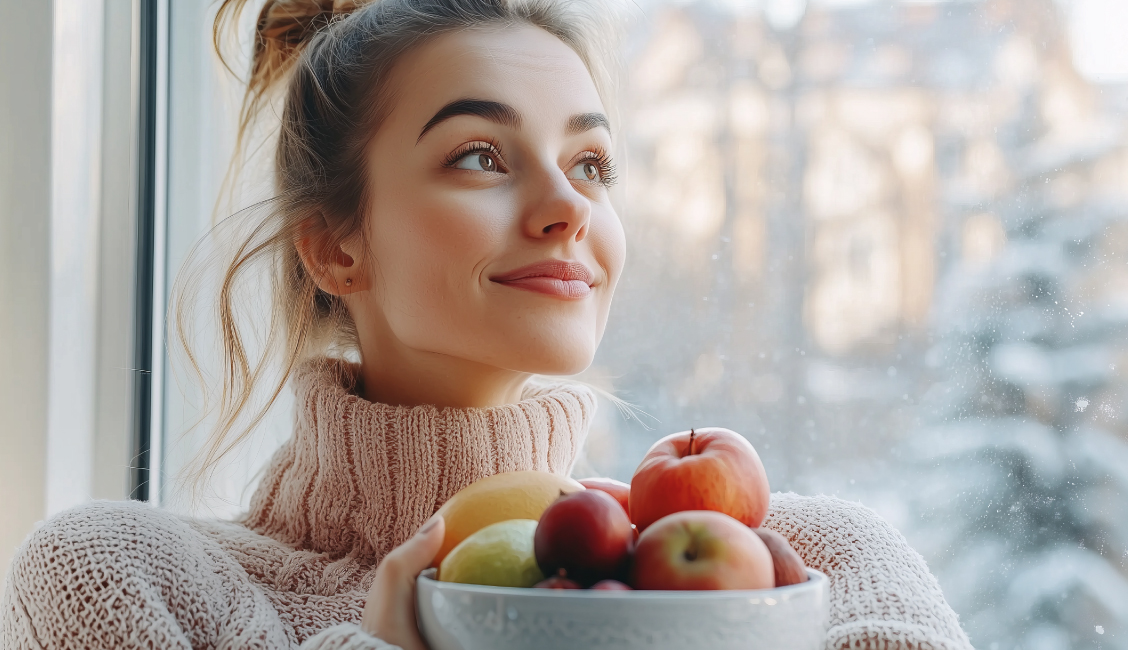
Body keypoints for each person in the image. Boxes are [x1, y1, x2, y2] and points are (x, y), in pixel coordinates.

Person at [1, 0, 973, 648]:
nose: (568, 207)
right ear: (336, 247)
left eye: (591, 164)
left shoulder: (813, 568)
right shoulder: (124, 576)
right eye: (480, 156)